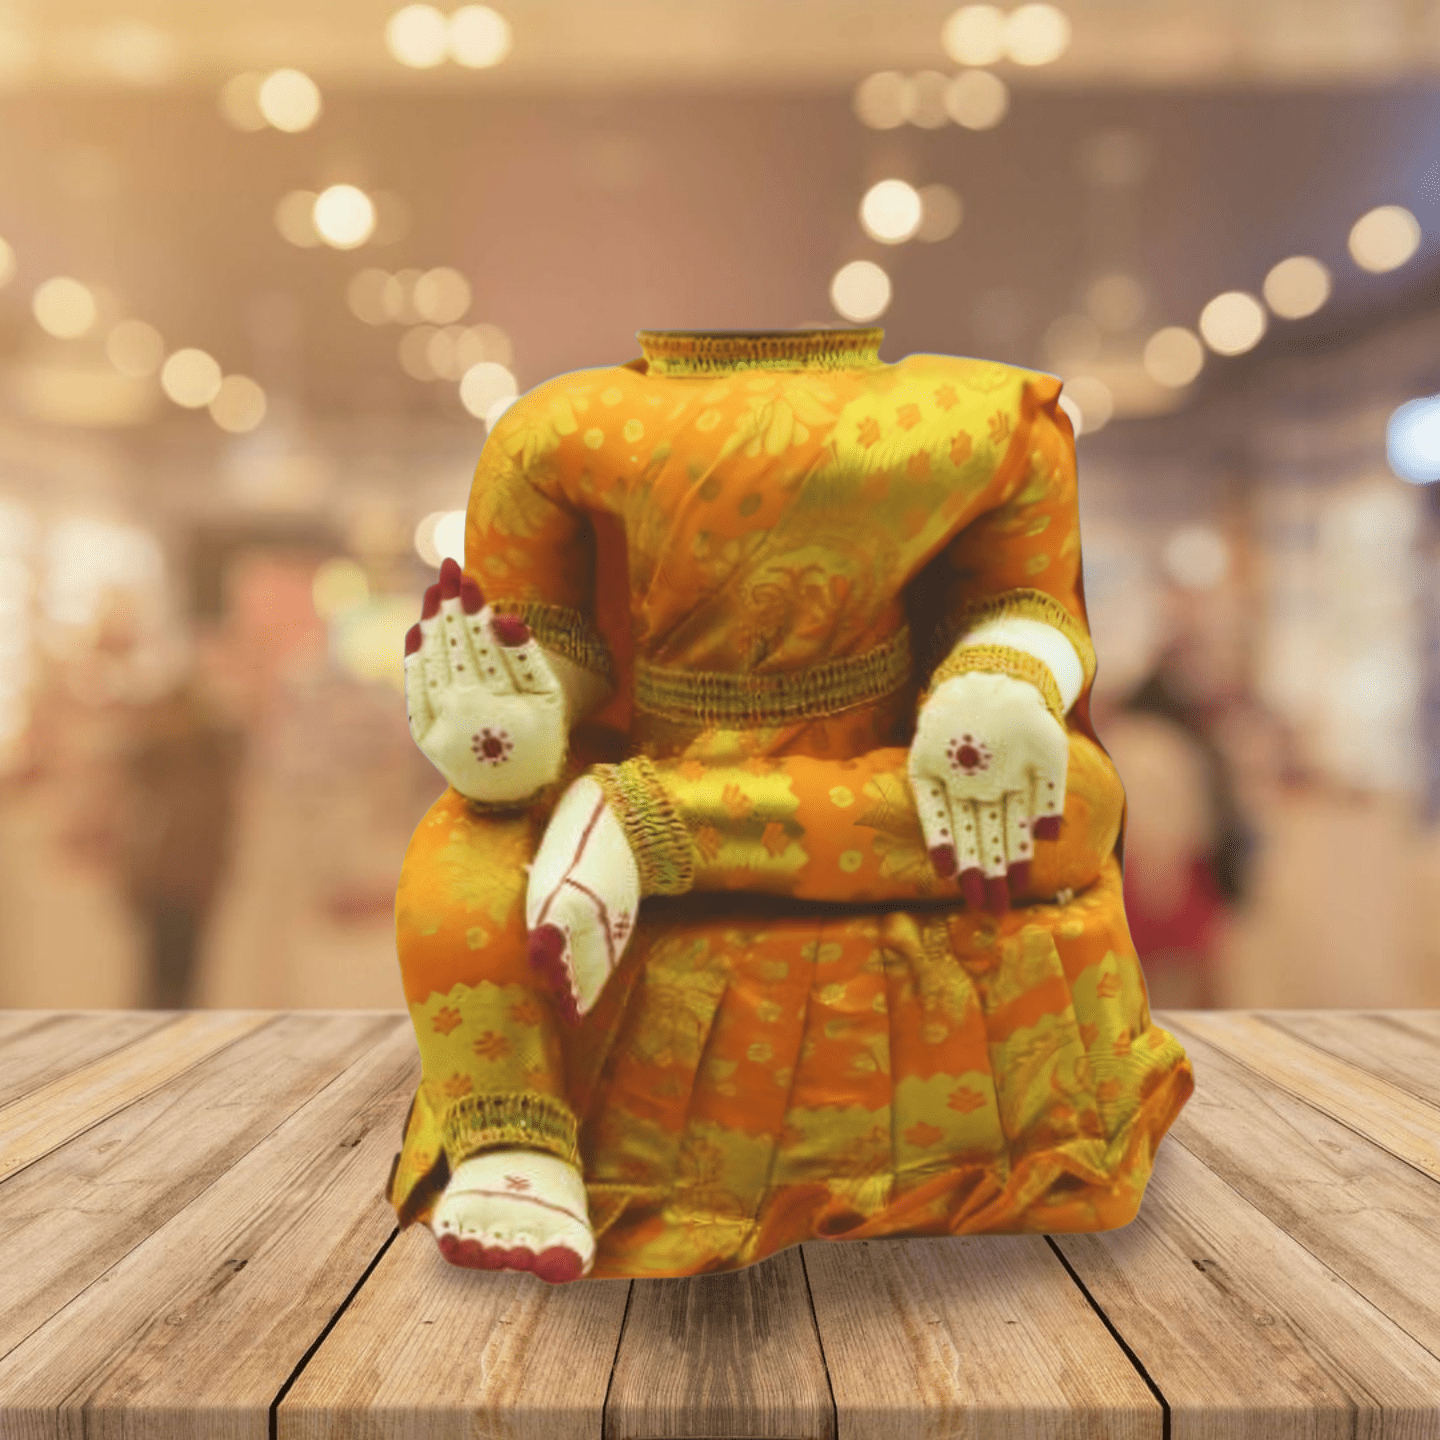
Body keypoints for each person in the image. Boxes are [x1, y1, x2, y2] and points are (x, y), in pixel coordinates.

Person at [385, 327, 1196, 1282]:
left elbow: (1025, 597)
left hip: (885, 755)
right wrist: (514, 712)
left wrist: (1001, 678)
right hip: (661, 732)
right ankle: (513, 1137)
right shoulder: (553, 429)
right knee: (468, 835)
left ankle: (660, 825)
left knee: (1073, 804)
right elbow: (552, 632)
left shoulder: (985, 418)